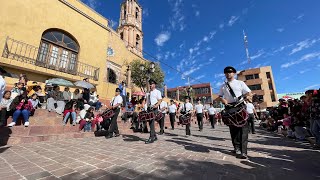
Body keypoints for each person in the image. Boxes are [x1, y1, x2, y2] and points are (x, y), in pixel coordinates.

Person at [216, 66, 252, 159]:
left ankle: (244, 152)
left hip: (240, 105)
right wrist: (223, 100)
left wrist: (248, 96)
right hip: (230, 107)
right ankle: (236, 148)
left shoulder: (240, 83)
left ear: (234, 73)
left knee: (244, 129)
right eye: (226, 72)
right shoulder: (223, 86)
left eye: (230, 72)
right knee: (233, 129)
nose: (228, 74)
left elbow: (248, 92)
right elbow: (219, 96)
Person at [145, 79, 162, 144]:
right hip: (149, 108)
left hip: (154, 108)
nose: (150, 85)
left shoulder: (157, 92)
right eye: (149, 84)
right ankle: (154, 136)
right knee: (150, 123)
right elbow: (146, 101)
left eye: (151, 84)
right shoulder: (147, 93)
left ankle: (151, 137)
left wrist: (156, 105)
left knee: (152, 122)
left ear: (154, 85)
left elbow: (160, 100)